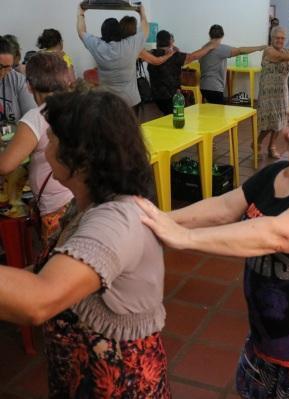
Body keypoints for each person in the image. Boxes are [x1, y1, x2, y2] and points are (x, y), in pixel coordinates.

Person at [135, 85, 289, 399]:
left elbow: (277, 234)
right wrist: (162, 219)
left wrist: (185, 238)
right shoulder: (278, 172)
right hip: (265, 341)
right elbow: (224, 207)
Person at [0, 88, 170, 396]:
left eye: (50, 140)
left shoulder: (116, 220)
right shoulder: (86, 206)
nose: (43, 148)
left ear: (80, 158)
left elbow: (39, 299)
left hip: (118, 384)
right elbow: (41, 276)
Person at [0, 52, 73, 244]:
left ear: (30, 87)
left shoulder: (35, 118)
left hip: (56, 204)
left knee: (56, 260)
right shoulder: (78, 105)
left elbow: (5, 165)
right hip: (82, 197)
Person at [77, 5, 149, 108]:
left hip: (108, 102)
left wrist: (80, 13)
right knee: (131, 125)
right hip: (131, 101)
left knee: (111, 125)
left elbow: (81, 32)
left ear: (103, 32)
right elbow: (145, 30)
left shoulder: (98, 46)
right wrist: (142, 13)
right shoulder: (130, 44)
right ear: (119, 31)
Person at [256, 26, 289, 159]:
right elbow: (282, 57)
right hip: (268, 92)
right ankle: (257, 142)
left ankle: (271, 147)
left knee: (280, 122)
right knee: (268, 123)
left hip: (282, 91)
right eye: (277, 38)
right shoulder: (269, 51)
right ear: (271, 38)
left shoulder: (286, 50)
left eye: (282, 38)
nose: (280, 40)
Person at [148, 30, 217, 115]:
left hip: (156, 97)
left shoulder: (151, 54)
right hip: (172, 96)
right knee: (177, 117)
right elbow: (193, 56)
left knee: (168, 115)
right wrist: (210, 47)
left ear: (157, 41)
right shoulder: (174, 56)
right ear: (170, 42)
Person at [200, 24, 266, 104]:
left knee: (213, 109)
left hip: (203, 87)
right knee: (221, 110)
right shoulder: (219, 48)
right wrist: (259, 48)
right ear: (222, 35)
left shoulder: (203, 48)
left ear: (209, 35)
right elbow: (241, 51)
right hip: (214, 88)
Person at [0, 37, 36, 128]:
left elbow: (31, 118)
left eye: (7, 67)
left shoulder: (18, 80)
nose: (2, 72)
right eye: (0, 66)